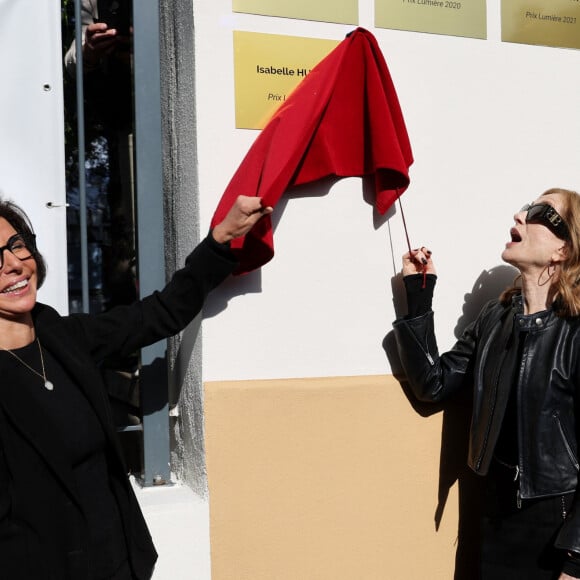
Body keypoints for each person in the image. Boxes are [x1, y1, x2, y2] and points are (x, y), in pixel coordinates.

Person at [0, 194, 272, 579]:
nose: (13, 264)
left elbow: (159, 313)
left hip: (121, 564)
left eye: (17, 245)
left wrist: (220, 239)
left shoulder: (63, 336)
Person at [391, 187, 580, 579]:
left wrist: (576, 560)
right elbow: (433, 385)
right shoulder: (496, 318)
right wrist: (419, 297)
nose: (519, 216)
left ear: (563, 250)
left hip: (554, 524)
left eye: (541, 213)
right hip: (492, 515)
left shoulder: (575, 331)